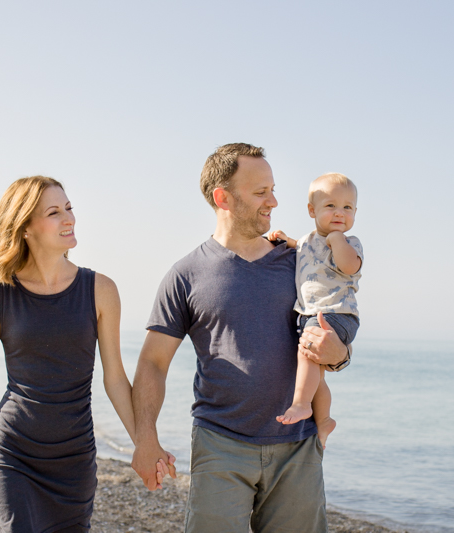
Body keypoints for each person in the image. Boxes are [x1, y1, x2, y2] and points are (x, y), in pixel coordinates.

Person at [131, 144, 351, 533]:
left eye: (273, 189)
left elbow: (332, 325)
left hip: (297, 448)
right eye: (260, 192)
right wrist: (145, 439)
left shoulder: (298, 261)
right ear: (223, 198)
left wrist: (340, 355)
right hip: (220, 443)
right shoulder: (186, 274)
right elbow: (152, 363)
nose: (274, 201)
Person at [0, 176, 172, 532]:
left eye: (69, 208)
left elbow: (115, 378)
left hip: (74, 461)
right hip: (13, 455)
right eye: (54, 212)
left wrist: (145, 445)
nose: (69, 218)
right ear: (25, 228)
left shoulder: (100, 289)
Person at [269, 172, 362, 448]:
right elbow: (304, 252)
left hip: (337, 314)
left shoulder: (350, 242)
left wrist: (337, 240)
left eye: (347, 207)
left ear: (355, 213)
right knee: (313, 373)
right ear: (312, 210)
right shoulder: (308, 240)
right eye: (331, 206)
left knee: (307, 352)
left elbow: (350, 267)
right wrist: (287, 240)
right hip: (313, 315)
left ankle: (300, 404)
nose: (339, 213)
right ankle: (324, 420)